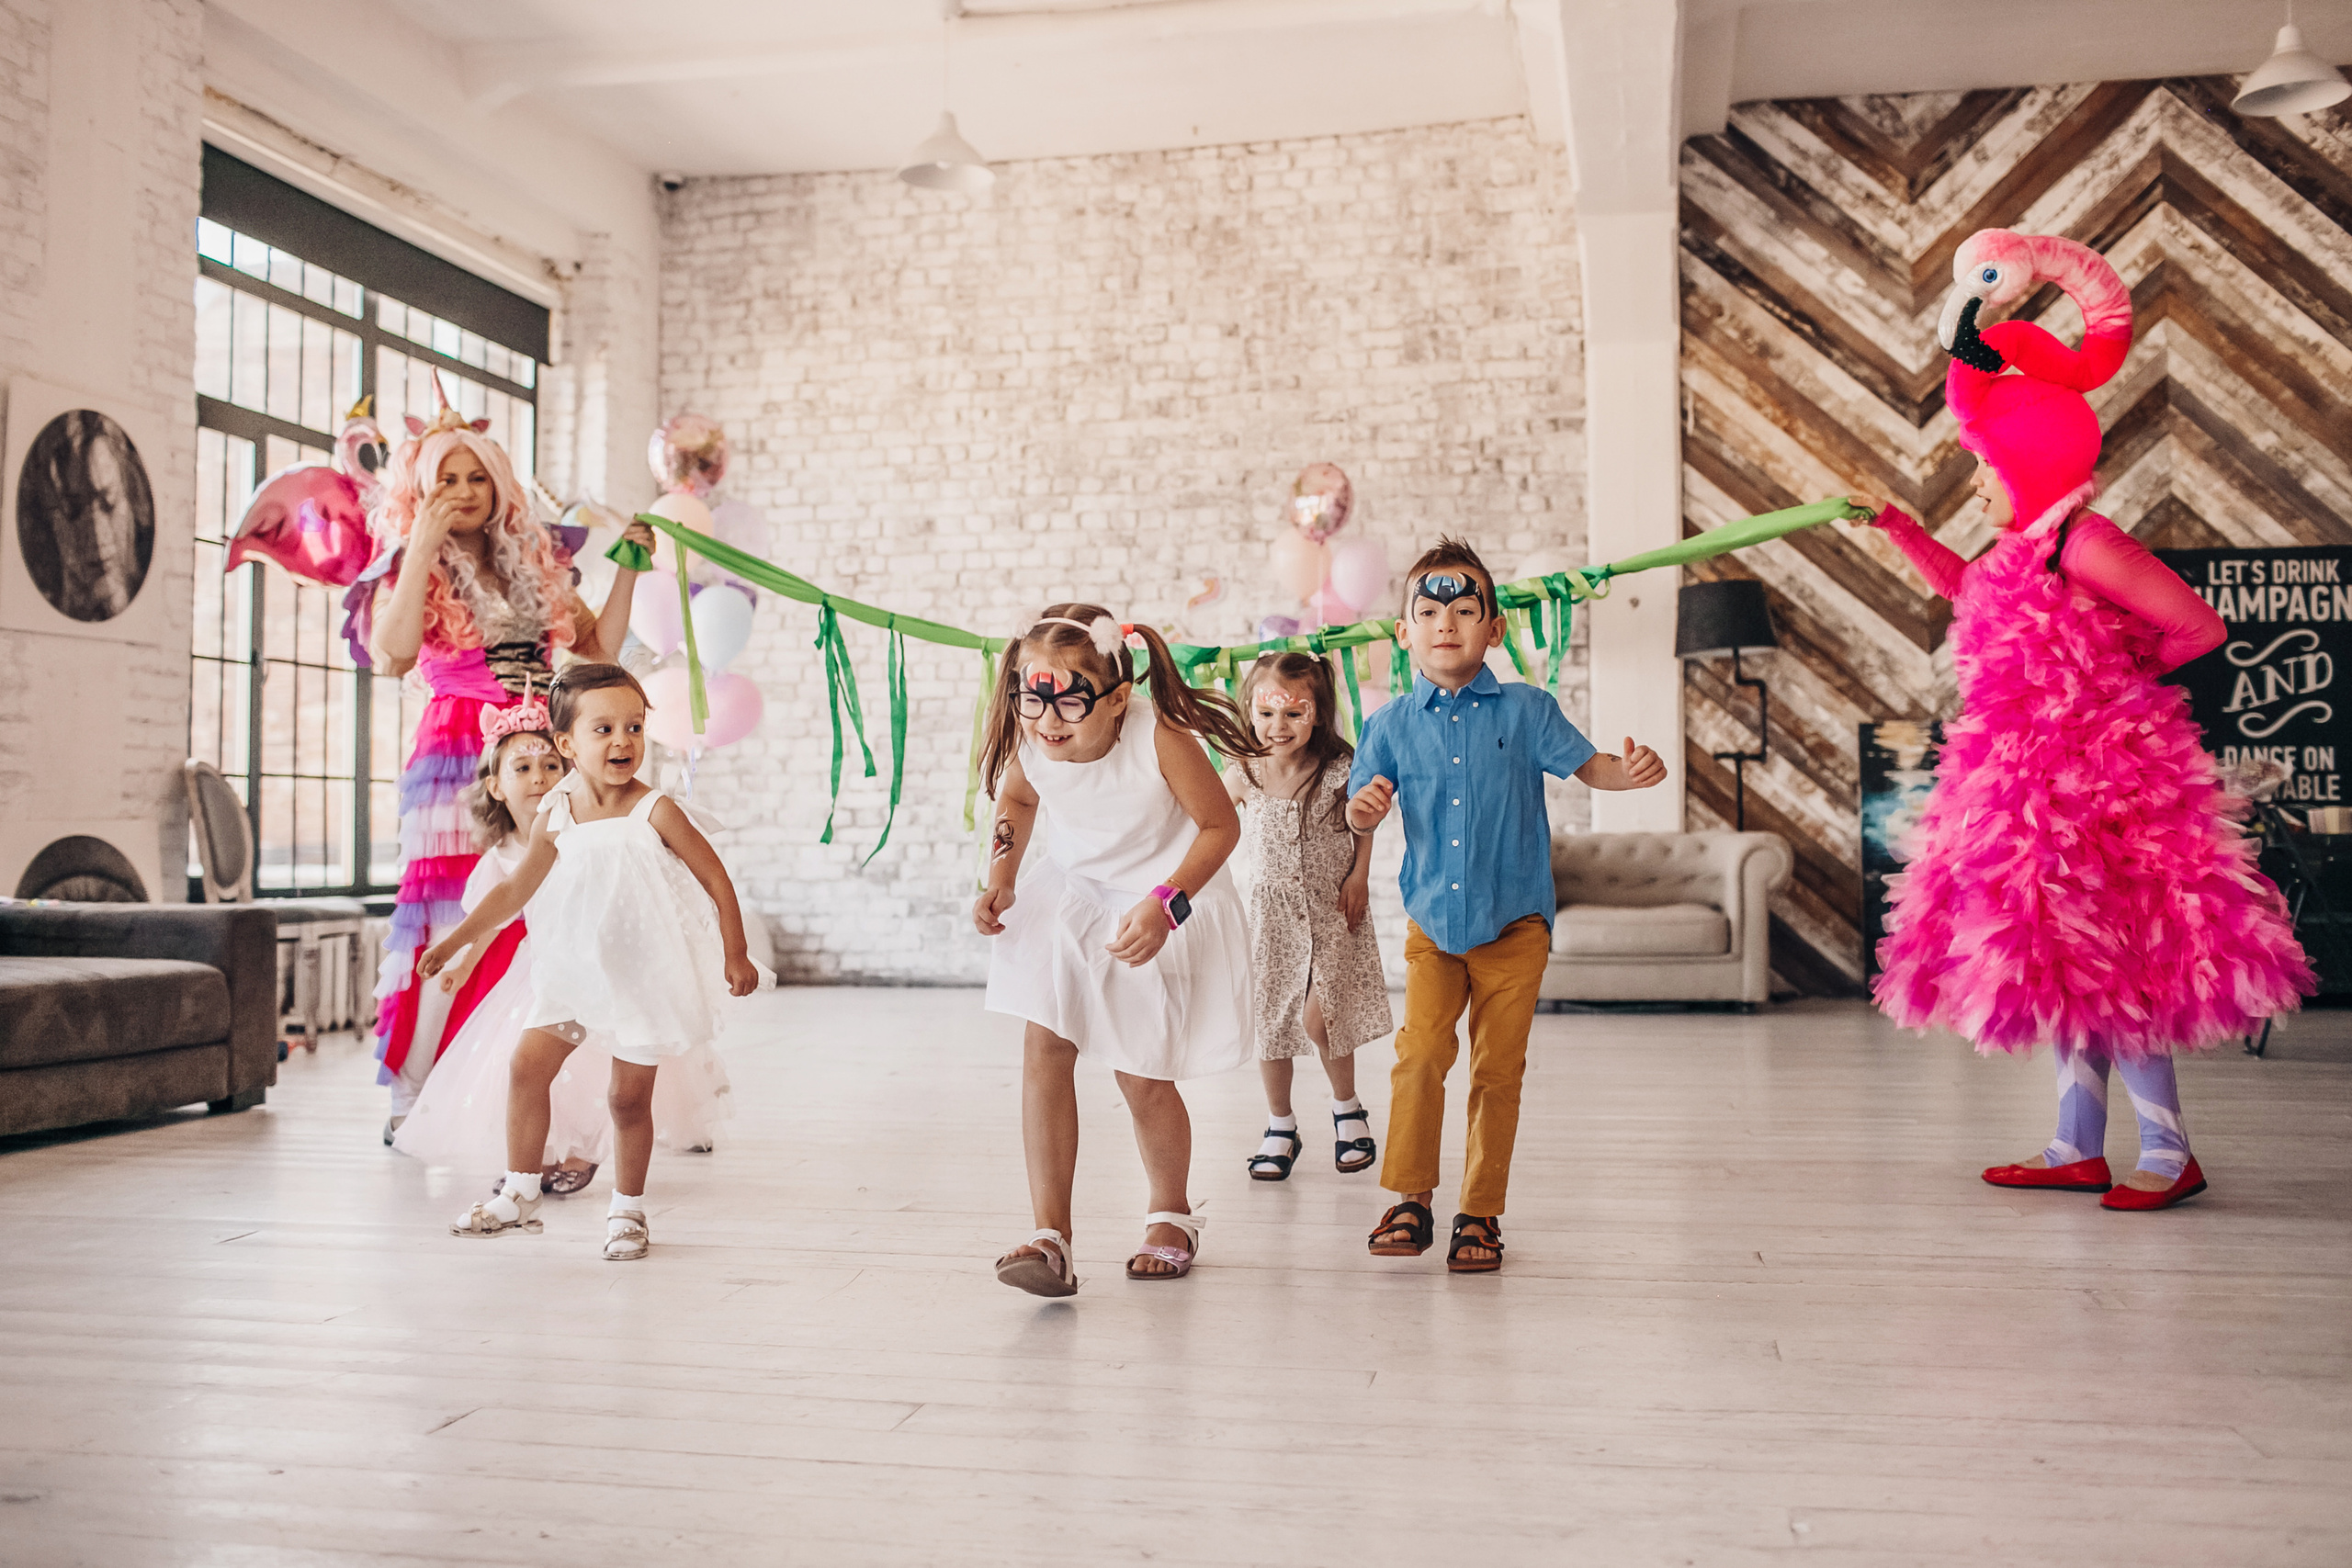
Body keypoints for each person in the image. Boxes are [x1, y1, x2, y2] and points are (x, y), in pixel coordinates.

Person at [1852, 228, 2311, 1210]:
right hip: (2029, 787)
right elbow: (1961, 589)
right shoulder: (2020, 556)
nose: (1974, 480)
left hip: (2102, 783)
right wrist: (1894, 526)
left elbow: (2196, 625)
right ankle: (2072, 1144)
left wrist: (2111, 676)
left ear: (2019, 453)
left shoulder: (2085, 542)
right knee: (2069, 960)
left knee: (2124, 961)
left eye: (1980, 463)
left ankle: (2165, 1153)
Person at [1349, 538, 1668, 1272]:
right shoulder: (1390, 724)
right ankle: (1409, 1198)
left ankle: (1480, 1213)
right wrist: (1364, 811)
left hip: (1516, 922)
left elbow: (1594, 766)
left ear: (1494, 628)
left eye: (1466, 610)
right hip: (1434, 926)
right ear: (1404, 631)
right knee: (1420, 1054)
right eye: (1428, 611)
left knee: (1498, 1069)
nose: (1446, 624)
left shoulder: (1528, 709)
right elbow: (1356, 811)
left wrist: (1634, 771)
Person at [368, 385, 654, 1145]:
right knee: (448, 913)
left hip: (537, 747)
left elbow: (596, 650)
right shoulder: (412, 562)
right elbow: (393, 654)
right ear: (422, 489)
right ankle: (415, 1087)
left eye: (476, 477)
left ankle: (512, 1092)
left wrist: (628, 568)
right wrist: (421, 546)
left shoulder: (530, 557)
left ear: (498, 482)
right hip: (458, 747)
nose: (463, 492)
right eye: (446, 479)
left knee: (537, 912)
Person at [418, 663, 761, 1261]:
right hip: (573, 972)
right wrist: (455, 939)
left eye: (634, 726)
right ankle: (521, 1192)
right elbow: (513, 891)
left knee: (627, 1100)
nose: (623, 741)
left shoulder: (654, 809)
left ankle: (627, 1208)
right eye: (603, 729)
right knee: (527, 1067)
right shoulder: (557, 812)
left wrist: (736, 951)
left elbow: (715, 877)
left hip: (641, 979)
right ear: (567, 744)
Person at [974, 605, 1266, 1295]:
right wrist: (1002, 876)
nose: (1048, 719)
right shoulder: (1033, 740)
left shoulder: (1158, 737)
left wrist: (1168, 903)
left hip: (1156, 901)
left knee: (1140, 1072)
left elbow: (1220, 827)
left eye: (1069, 700)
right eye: (1031, 696)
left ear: (1117, 697)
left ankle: (1171, 1213)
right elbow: (1016, 800)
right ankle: (1051, 1237)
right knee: (1044, 1046)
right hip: (1074, 899)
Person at [1227, 651, 1391, 1181]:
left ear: (1317, 714)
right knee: (1271, 1022)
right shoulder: (1243, 772)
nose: (1280, 727)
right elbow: (1206, 819)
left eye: (1294, 713)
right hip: (1270, 917)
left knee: (1323, 1016)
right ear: (1251, 712)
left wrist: (1359, 875)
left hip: (1330, 908)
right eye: (1268, 713)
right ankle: (1281, 1124)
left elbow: (1363, 824)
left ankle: (1347, 1107)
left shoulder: (1341, 768)